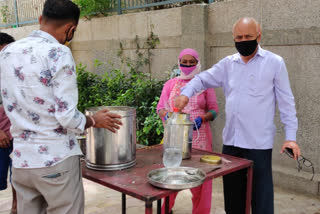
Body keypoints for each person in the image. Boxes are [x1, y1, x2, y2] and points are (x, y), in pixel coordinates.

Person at [0, 0, 123, 213]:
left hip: (21, 161)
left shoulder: (7, 52)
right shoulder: (58, 53)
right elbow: (67, 117)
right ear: (71, 29)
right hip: (55, 161)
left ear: (40, 19)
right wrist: (94, 120)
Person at [174, 17, 301, 214]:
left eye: (248, 36)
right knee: (233, 201)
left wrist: (291, 138)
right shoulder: (228, 64)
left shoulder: (275, 63)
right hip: (232, 143)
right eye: (239, 37)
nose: (243, 41)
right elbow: (202, 79)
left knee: (261, 201)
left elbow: (286, 103)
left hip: (258, 143)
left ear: (259, 36)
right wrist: (185, 93)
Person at [157, 48, 219, 214]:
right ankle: (165, 210)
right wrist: (167, 118)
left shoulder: (205, 84)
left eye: (192, 62)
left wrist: (203, 118)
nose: (188, 65)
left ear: (198, 64)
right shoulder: (170, 84)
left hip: (200, 139)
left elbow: (214, 110)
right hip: (175, 139)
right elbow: (160, 108)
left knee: (201, 179)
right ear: (179, 63)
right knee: (171, 177)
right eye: (184, 62)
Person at [0, 32, 17, 214]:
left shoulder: (13, 72)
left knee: (18, 178)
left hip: (16, 135)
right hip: (1, 136)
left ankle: (16, 208)